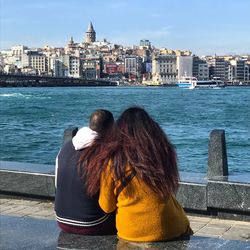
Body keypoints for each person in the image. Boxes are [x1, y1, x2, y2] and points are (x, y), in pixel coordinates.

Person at [86, 107, 193, 242]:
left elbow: (107, 207)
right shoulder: (162, 152)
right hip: (172, 227)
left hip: (132, 232)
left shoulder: (113, 160)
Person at [54, 109, 116, 235]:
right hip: (94, 224)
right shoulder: (105, 152)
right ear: (111, 128)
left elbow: (56, 185)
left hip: (61, 221)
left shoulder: (65, 147)